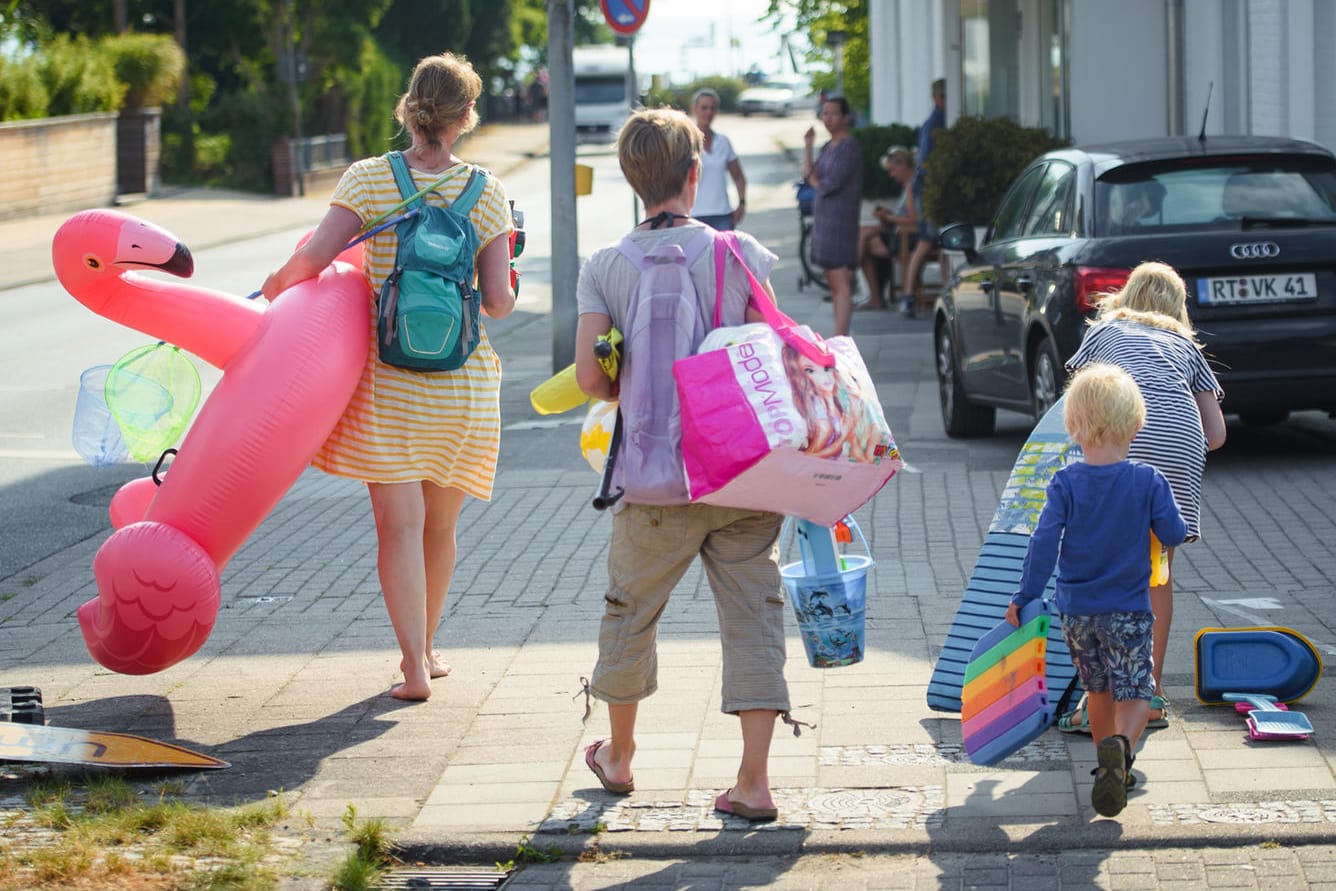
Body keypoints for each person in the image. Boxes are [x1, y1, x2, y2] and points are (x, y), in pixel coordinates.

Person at [261, 53, 516, 701]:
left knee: (396, 526)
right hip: (461, 384)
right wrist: (510, 271)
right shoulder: (487, 191)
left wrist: (272, 292)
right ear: (466, 116)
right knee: (440, 527)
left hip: (387, 380)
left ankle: (411, 665)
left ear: (409, 106)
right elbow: (496, 303)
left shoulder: (369, 179)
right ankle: (430, 648)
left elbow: (312, 261)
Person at [574, 107, 801, 824]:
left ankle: (618, 756)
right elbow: (774, 358)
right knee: (753, 615)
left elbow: (588, 378)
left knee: (630, 611)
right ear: (695, 174)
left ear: (630, 179)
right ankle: (754, 782)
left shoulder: (604, 266)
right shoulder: (742, 255)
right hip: (742, 477)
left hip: (652, 481)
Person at [1006, 363, 1188, 818]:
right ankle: (1122, 751)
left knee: (1099, 688)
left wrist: (1025, 595)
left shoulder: (1064, 482)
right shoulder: (1147, 480)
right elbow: (1175, 531)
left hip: (1076, 611)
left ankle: (1104, 761)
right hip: (1127, 608)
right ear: (1134, 422)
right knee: (1139, 690)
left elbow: (1043, 542)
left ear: (1074, 424)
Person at [1058, 261, 1227, 732]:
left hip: (1117, 440)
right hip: (1178, 447)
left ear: (1125, 295)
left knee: (1096, 563)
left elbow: (1077, 399)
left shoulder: (1107, 331)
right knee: (1157, 572)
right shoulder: (1184, 344)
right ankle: (1148, 692)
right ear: (1179, 307)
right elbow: (1215, 435)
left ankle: (1098, 698)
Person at [802, 96, 862, 337]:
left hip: (840, 220)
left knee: (840, 280)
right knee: (832, 278)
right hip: (825, 219)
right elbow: (809, 174)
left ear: (845, 117)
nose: (828, 119)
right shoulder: (829, 146)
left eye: (834, 113)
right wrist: (808, 146)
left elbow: (828, 184)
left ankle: (841, 336)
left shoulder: (849, 146)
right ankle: (840, 334)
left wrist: (815, 182)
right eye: (825, 114)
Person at [901, 78, 946, 317]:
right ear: (938, 98)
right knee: (927, 242)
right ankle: (908, 296)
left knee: (943, 244)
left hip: (934, 191)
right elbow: (926, 162)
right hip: (929, 191)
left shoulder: (940, 121)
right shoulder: (935, 125)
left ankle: (946, 294)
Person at [856, 145, 917, 310]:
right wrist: (887, 216)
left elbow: (913, 219)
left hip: (907, 237)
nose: (892, 174)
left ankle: (850, 279)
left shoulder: (912, 187)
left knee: (864, 236)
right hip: (900, 234)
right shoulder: (908, 186)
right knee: (864, 237)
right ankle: (873, 296)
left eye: (893, 170)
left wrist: (888, 217)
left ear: (903, 165)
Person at [689, 88, 747, 231]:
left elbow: (738, 176)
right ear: (695, 109)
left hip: (722, 214)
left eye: (712, 108)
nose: (708, 112)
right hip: (694, 215)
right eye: (704, 108)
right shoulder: (685, 142)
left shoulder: (723, 142)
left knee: (725, 253)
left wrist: (742, 203)